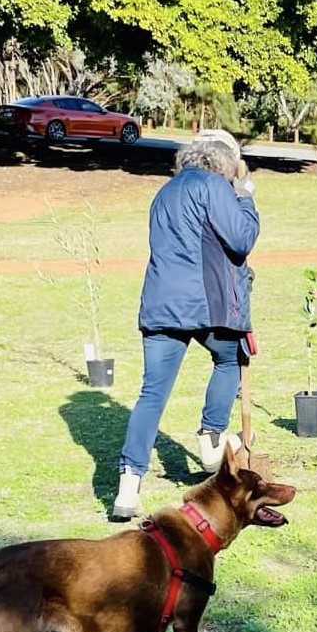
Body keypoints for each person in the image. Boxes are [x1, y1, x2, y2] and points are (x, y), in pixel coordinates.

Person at [112, 129, 260, 521]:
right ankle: (212, 442)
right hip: (209, 304)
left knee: (152, 394)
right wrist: (244, 192)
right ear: (224, 161)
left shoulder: (164, 192)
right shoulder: (216, 186)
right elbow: (241, 239)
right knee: (228, 360)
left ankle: (128, 487)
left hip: (161, 304)